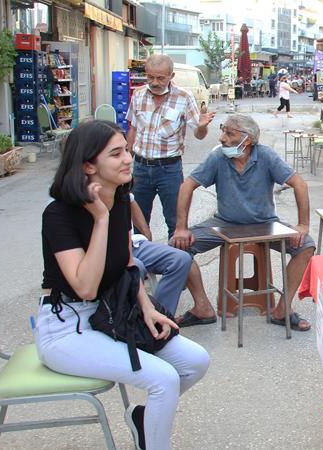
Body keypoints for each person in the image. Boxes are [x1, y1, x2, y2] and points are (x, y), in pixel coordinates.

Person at [38, 120, 210, 450]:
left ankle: (144, 420)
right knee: (163, 378)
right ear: (88, 165)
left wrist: (146, 307)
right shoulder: (58, 215)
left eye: (127, 150)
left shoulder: (119, 199)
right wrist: (100, 218)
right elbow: (85, 287)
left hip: (113, 314)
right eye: (116, 153)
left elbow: (127, 265)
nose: (128, 158)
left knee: (195, 361)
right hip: (66, 329)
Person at [170, 114, 315, 331]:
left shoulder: (265, 156)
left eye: (229, 133)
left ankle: (283, 309)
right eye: (223, 131)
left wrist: (302, 225)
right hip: (225, 223)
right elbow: (187, 186)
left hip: (265, 223)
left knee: (306, 246)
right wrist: (181, 228)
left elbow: (300, 185)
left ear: (246, 140)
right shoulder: (219, 157)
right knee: (177, 246)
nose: (222, 138)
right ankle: (202, 307)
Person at [126, 54, 216, 239]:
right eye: (150, 77)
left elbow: (199, 135)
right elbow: (133, 128)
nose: (154, 82)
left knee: (175, 223)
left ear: (171, 76)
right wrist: (127, 160)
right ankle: (144, 264)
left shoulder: (184, 97)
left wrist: (201, 127)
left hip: (169, 169)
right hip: (141, 168)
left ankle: (174, 263)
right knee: (138, 221)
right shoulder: (138, 95)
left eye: (160, 77)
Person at [129, 195, 194, 315]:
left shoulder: (120, 188)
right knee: (135, 267)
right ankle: (132, 321)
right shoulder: (87, 192)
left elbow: (131, 201)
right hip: (106, 252)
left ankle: (162, 317)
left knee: (181, 258)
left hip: (133, 245)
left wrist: (145, 230)